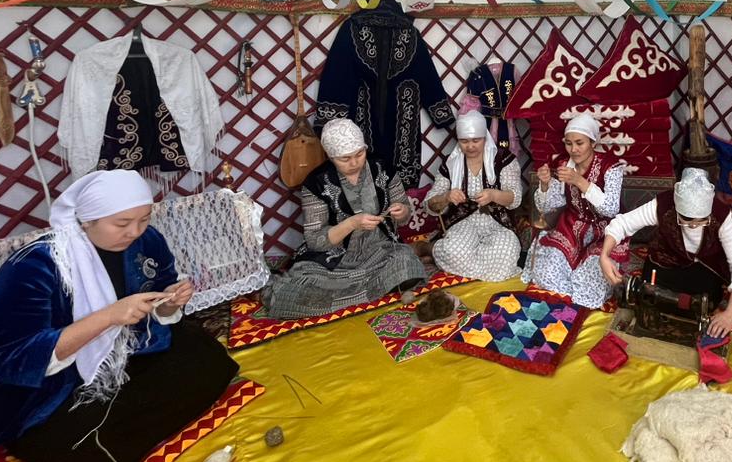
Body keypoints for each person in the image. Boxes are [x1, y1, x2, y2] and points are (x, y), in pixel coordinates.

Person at [0, 170, 238, 462]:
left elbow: (159, 298)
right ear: (87, 220)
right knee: (83, 458)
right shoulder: (33, 268)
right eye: (122, 223)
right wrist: (108, 317)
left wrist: (170, 300)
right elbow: (9, 359)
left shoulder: (146, 240)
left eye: (144, 219)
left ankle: (127, 425)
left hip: (126, 354)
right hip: (53, 387)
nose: (135, 231)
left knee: (208, 358)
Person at [263, 118, 426, 319]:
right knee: (298, 291)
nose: (354, 163)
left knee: (408, 266)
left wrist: (402, 211)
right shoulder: (316, 183)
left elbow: (404, 215)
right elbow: (315, 241)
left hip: (380, 251)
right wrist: (352, 223)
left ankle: (359, 291)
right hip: (336, 261)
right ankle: (370, 289)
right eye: (345, 159)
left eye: (359, 154)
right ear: (331, 156)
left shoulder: (382, 167)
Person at [600, 168, 732, 337]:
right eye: (686, 220)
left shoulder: (721, 215)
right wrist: (604, 255)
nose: (693, 226)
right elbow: (623, 224)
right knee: (651, 295)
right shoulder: (664, 205)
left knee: (706, 300)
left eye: (701, 221)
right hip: (667, 261)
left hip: (705, 267)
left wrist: (731, 312)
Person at [521, 114, 625, 308]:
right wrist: (545, 185)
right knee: (546, 272)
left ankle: (578, 285)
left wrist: (579, 181)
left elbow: (611, 209)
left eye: (579, 143)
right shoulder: (564, 164)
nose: (573, 149)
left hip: (605, 233)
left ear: (593, 142)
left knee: (591, 284)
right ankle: (569, 291)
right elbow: (551, 206)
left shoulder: (611, 167)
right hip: (571, 227)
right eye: (569, 144)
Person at [424, 110, 522, 281]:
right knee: (453, 251)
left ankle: (460, 263)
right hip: (463, 223)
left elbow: (515, 198)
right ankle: (431, 249)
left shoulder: (502, 159)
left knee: (506, 252)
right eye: (464, 141)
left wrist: (494, 195)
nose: (470, 146)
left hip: (497, 223)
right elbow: (431, 205)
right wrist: (446, 197)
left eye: (476, 140)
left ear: (485, 137)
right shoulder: (451, 163)